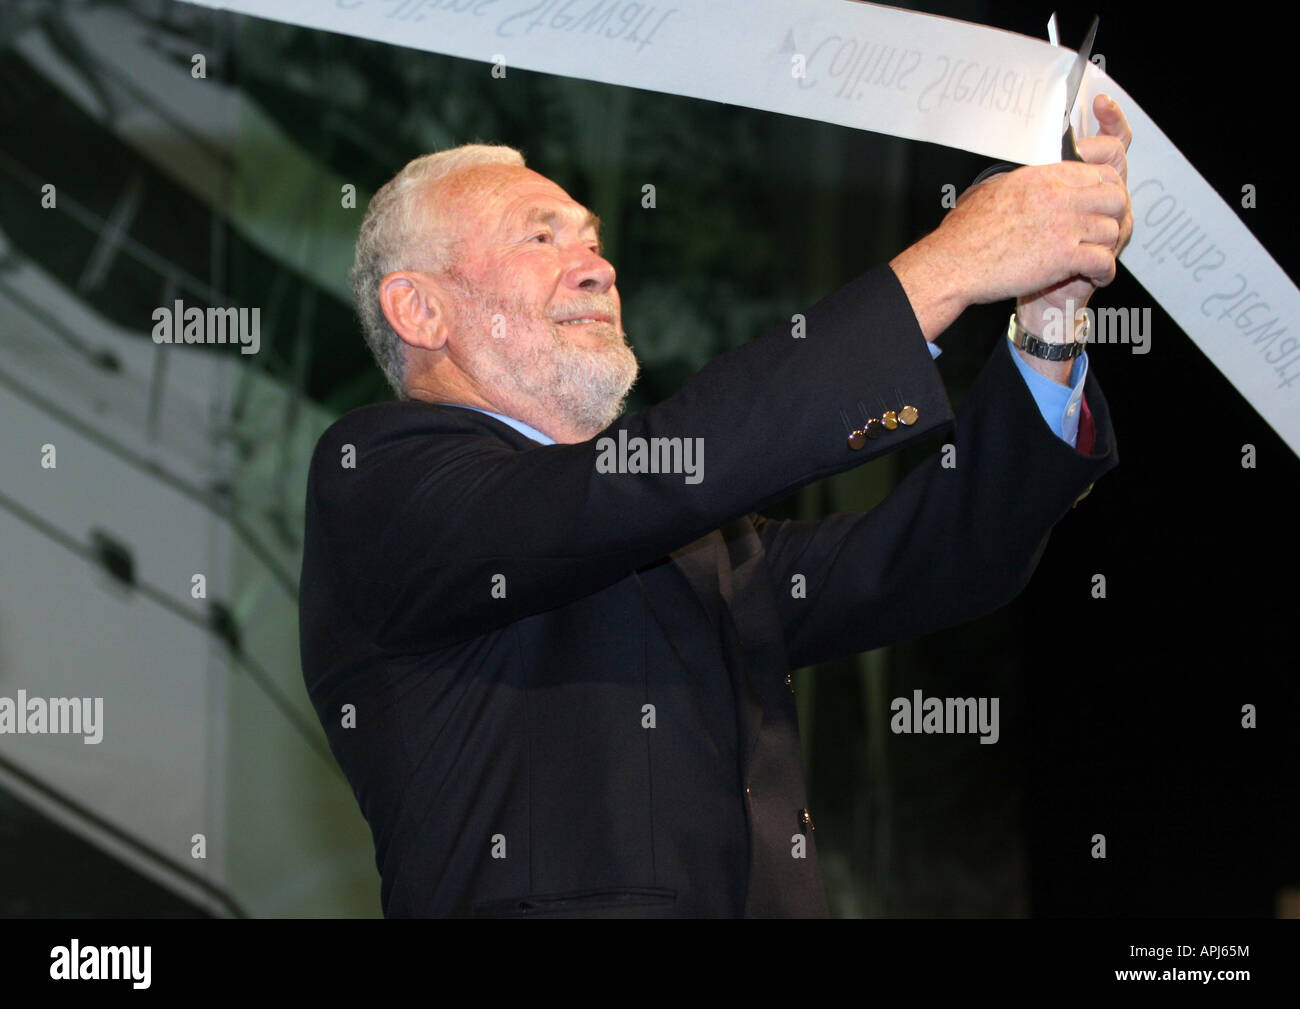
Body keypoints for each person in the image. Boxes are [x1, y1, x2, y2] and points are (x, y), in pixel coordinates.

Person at [300, 96, 1134, 917]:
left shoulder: (693, 539)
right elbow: (657, 475)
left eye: (593, 239)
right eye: (541, 236)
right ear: (419, 308)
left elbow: (936, 557)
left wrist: (1049, 320)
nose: (599, 265)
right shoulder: (379, 481)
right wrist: (955, 263)